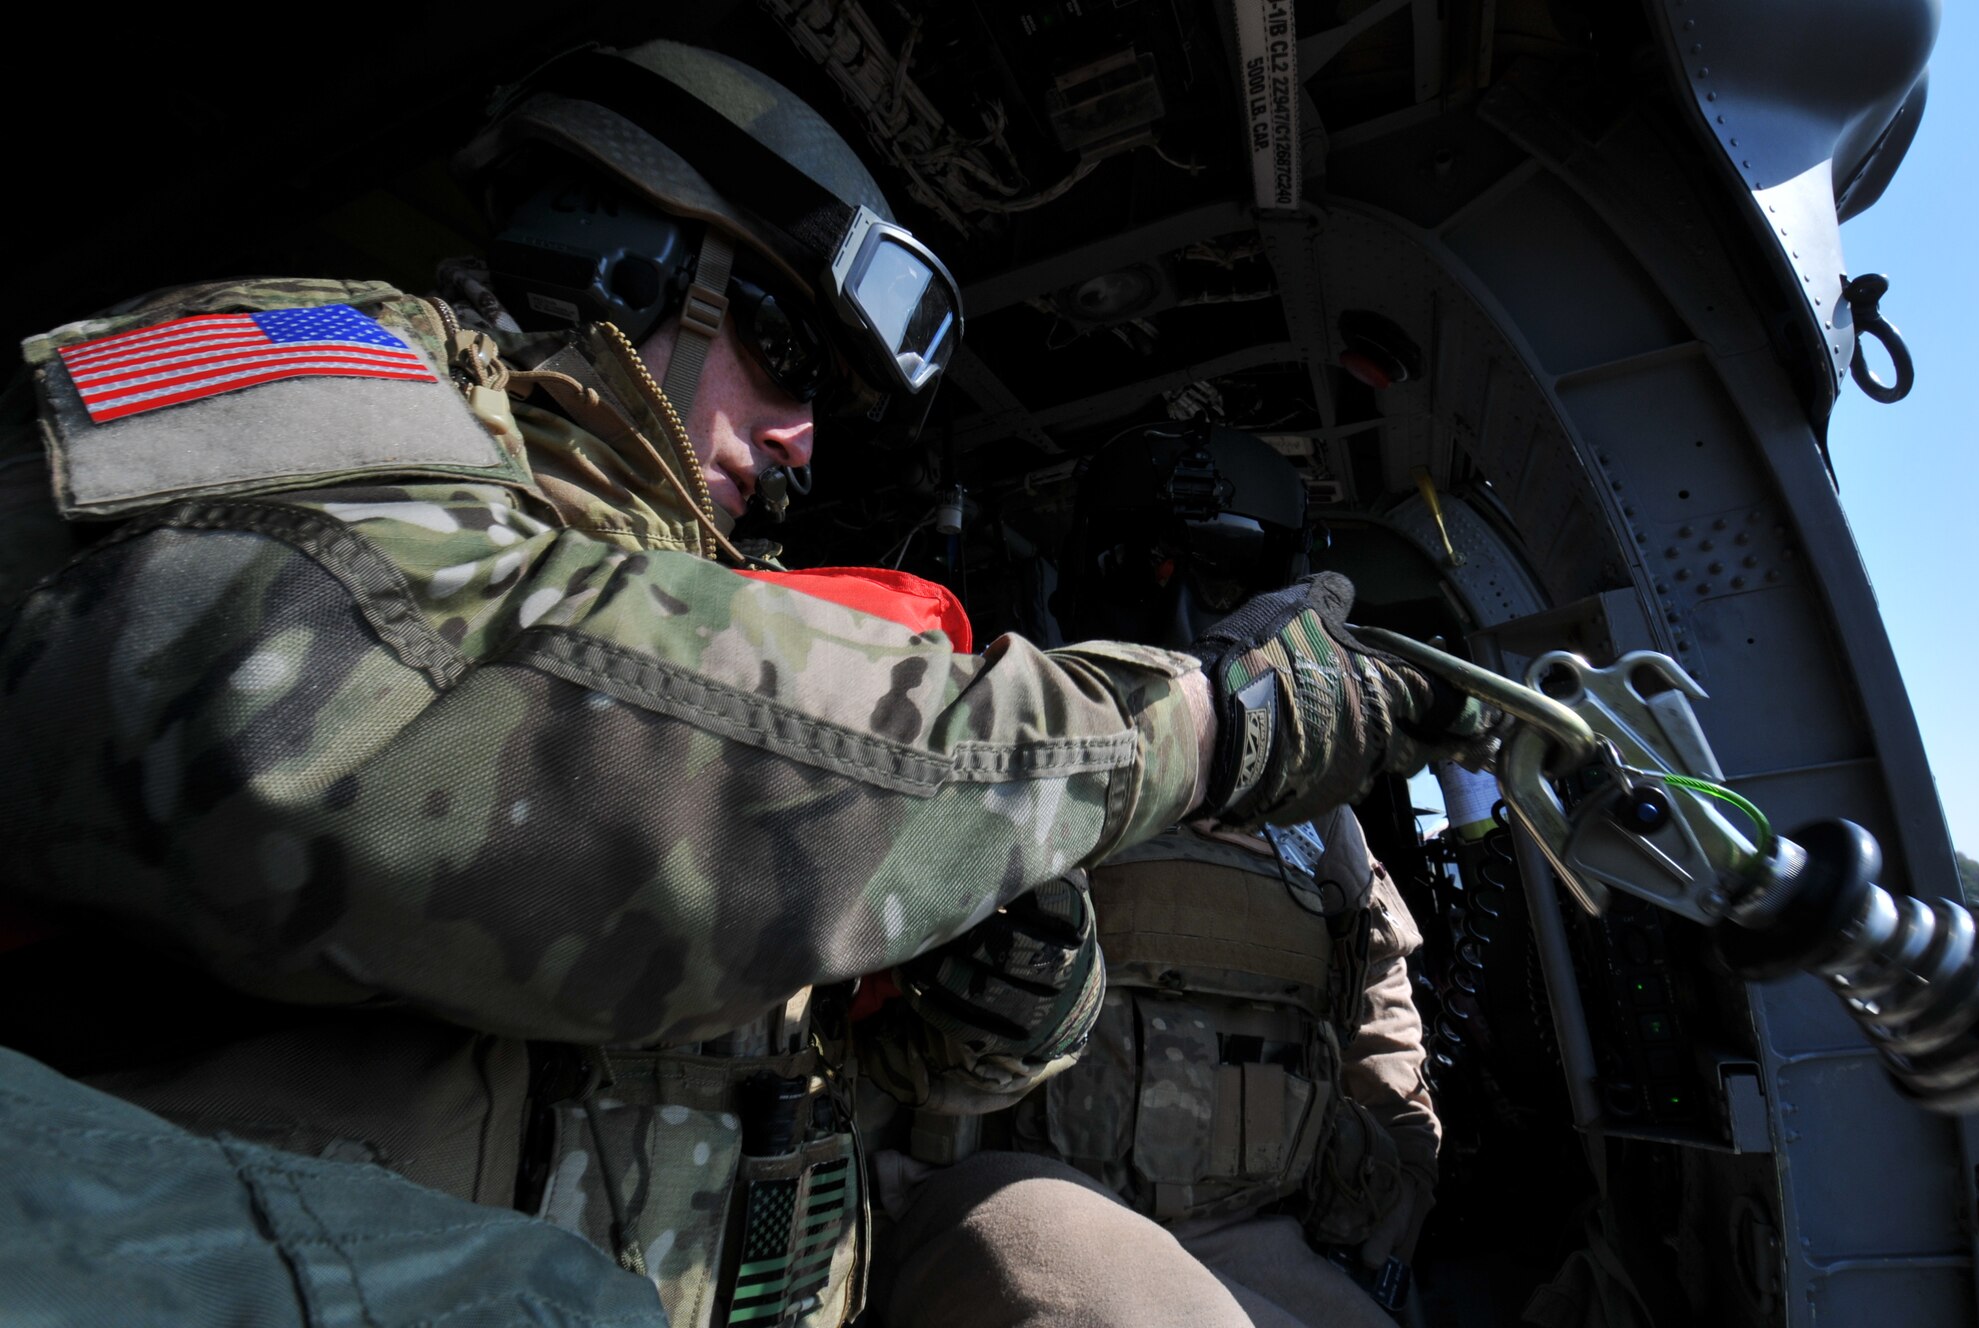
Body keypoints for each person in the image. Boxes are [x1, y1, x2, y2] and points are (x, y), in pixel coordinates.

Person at [0, 40, 1494, 1327]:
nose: (802, 442)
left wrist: (980, 1008)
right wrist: (1200, 723)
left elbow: (785, 1030)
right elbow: (438, 722)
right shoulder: (328, 387)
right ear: (624, 250)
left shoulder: (711, 614)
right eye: (784, 351)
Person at [870, 428, 1443, 1328]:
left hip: (1246, 1225)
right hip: (1004, 1190)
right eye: (1147, 569)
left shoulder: (1320, 826)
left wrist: (1395, 1190)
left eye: (1222, 580)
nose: (1183, 617)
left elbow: (1377, 1014)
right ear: (1090, 574)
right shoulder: (999, 735)